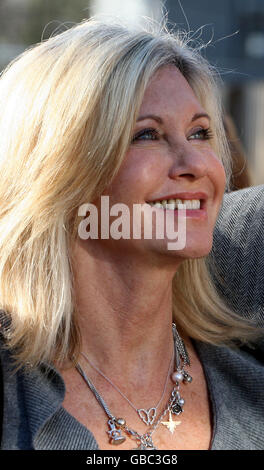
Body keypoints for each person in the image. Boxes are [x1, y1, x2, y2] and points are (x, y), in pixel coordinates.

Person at [0, 16, 263, 451]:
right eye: (148, 135)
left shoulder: (250, 385)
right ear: (59, 172)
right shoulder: (16, 397)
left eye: (199, 133)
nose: (196, 164)